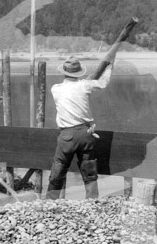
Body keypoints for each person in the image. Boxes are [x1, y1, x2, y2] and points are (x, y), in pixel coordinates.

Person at [46, 56, 113, 200]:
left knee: (58, 171)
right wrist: (109, 68)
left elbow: (75, 88)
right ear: (78, 72)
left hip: (67, 136)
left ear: (64, 72)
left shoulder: (55, 89)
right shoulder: (85, 85)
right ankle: (92, 201)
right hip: (86, 133)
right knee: (89, 174)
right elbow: (103, 83)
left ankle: (50, 201)